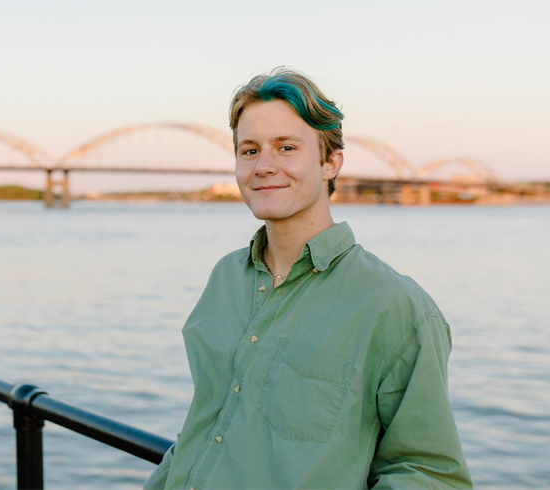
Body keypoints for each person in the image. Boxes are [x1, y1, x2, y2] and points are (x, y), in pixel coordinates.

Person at [143, 68, 471, 489]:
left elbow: (430, 475)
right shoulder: (225, 277)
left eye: (286, 147)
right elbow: (203, 427)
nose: (264, 166)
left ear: (331, 162)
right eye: (249, 150)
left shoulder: (395, 307)